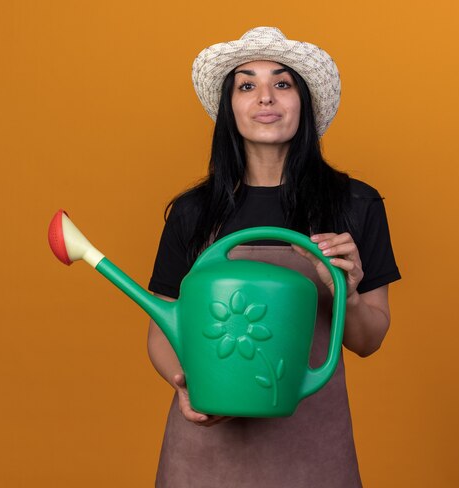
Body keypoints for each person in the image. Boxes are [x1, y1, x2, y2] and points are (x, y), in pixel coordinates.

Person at [146, 26, 401, 487]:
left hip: (314, 442)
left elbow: (368, 340)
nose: (265, 97)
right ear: (231, 109)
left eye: (282, 84)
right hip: (207, 446)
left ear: (304, 102)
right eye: (247, 85)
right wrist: (187, 387)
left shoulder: (354, 205)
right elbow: (163, 330)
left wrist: (351, 294)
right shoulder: (193, 213)